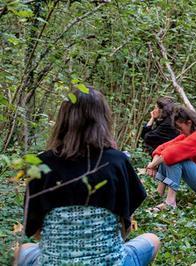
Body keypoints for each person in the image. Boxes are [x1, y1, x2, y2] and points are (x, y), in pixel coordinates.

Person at [16, 88, 160, 265]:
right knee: (153, 240)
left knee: (22, 250)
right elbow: (124, 230)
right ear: (103, 120)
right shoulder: (117, 162)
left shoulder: (40, 165)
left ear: (63, 121)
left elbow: (36, 232)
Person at [146, 106, 196, 210]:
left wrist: (152, 165)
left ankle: (170, 202)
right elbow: (162, 148)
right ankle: (159, 193)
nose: (180, 132)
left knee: (173, 158)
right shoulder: (191, 133)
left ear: (189, 123)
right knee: (168, 155)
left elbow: (170, 154)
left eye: (180, 128)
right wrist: (153, 163)